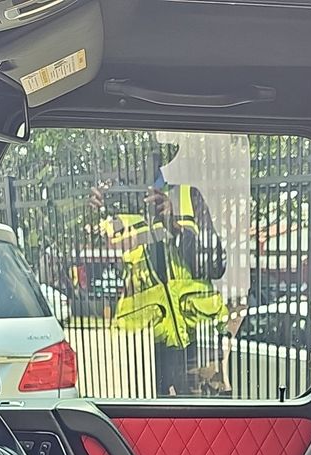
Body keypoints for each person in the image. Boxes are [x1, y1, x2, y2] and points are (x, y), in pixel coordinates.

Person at [91, 145, 228, 396]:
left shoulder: (187, 197)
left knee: (204, 415)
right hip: (144, 346)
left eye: (143, 155)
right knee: (145, 418)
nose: (134, 164)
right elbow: (89, 276)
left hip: (196, 339)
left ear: (157, 160)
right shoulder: (112, 211)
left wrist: (174, 225)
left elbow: (216, 265)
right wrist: (91, 218)